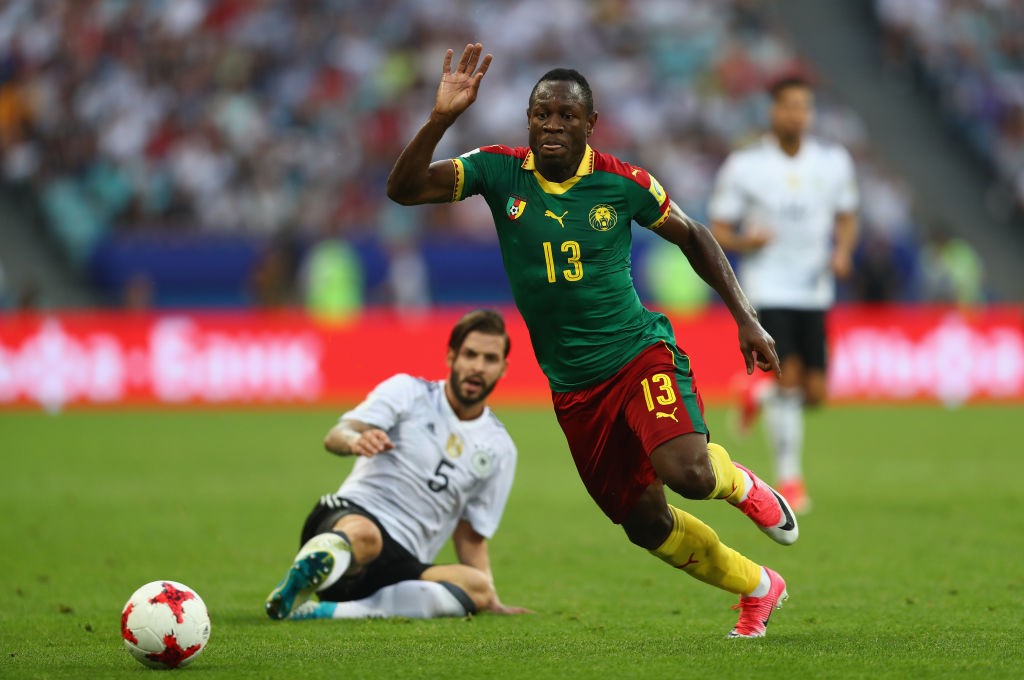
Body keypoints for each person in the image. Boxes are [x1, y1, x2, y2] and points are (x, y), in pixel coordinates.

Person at [387, 43, 797, 638]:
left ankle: (741, 484)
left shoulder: (623, 183)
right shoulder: (496, 169)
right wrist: (442, 119)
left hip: (637, 354)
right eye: (542, 114)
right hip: (575, 389)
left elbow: (696, 234)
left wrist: (746, 317)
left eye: (566, 116)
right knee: (645, 524)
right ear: (528, 120)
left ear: (590, 124)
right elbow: (404, 190)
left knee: (688, 473)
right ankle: (758, 587)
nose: (552, 125)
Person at [265, 309, 529, 620]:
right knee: (367, 537)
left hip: (401, 564)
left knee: (478, 588)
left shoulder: (500, 448)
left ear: (503, 368)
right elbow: (336, 434)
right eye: (470, 355)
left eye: (489, 359)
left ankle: (336, 611)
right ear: (451, 356)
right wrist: (354, 441)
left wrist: (491, 598)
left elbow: (471, 535)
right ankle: (310, 570)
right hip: (350, 520)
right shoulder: (408, 392)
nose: (478, 367)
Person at [709, 74, 860, 514]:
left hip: (814, 286)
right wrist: (744, 242)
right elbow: (718, 228)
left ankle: (753, 393)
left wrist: (843, 251)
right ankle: (790, 480)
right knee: (788, 379)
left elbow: (848, 215)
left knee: (815, 393)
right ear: (773, 111)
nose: (797, 113)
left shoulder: (833, 162)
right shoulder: (746, 166)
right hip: (767, 285)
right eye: (788, 105)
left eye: (803, 106)